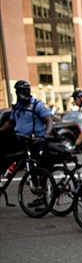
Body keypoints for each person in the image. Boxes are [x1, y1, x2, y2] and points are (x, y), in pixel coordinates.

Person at [0, 80, 53, 208]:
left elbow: (49, 121)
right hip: (22, 141)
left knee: (40, 169)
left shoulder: (38, 105)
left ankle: (43, 196)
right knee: (24, 167)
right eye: (20, 91)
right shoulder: (17, 107)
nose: (23, 93)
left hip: (37, 141)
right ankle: (37, 194)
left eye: (25, 90)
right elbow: (11, 123)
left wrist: (46, 135)